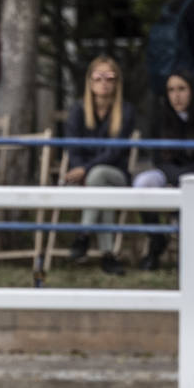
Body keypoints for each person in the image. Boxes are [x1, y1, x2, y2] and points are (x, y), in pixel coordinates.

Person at [131, 71, 194, 270]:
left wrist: (180, 179)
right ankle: (156, 240)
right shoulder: (160, 118)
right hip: (170, 175)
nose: (176, 95)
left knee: (189, 188)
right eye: (171, 90)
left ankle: (193, 248)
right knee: (143, 183)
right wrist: (173, 178)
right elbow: (158, 160)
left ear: (192, 91)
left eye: (181, 89)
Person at [64, 56, 137, 275]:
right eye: (98, 77)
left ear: (117, 83)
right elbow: (72, 148)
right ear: (89, 81)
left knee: (99, 174)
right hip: (89, 178)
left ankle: (84, 235)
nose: (103, 82)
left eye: (110, 77)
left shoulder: (126, 110)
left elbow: (115, 152)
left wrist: (84, 170)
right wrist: (81, 170)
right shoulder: (77, 110)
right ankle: (108, 255)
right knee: (99, 183)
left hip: (117, 174)